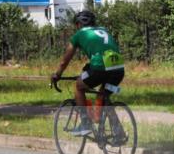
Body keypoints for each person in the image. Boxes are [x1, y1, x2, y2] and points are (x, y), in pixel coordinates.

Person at [50, 9, 125, 137]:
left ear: (78, 24)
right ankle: (119, 133)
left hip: (99, 68)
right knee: (103, 96)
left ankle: (85, 123)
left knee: (79, 86)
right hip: (118, 69)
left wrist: (57, 74)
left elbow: (65, 60)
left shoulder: (79, 34)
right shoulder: (104, 30)